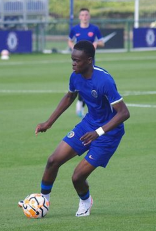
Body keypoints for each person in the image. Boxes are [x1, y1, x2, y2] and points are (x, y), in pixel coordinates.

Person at [19, 40, 130, 217]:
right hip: (88, 125)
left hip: (108, 134)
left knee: (77, 177)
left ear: (89, 60)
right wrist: (49, 122)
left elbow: (124, 113)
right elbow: (70, 96)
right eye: (72, 59)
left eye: (77, 60)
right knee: (53, 161)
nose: (73, 63)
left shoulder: (104, 80)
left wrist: (98, 133)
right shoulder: (75, 76)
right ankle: (43, 200)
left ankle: (86, 201)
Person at [68, 8, 105, 118]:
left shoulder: (94, 29)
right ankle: (80, 103)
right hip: (78, 62)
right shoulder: (75, 29)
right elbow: (70, 40)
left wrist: (96, 43)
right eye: (82, 15)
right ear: (79, 17)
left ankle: (82, 105)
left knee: (90, 83)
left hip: (90, 61)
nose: (84, 17)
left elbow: (102, 42)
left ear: (89, 16)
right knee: (80, 81)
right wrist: (73, 49)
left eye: (86, 15)